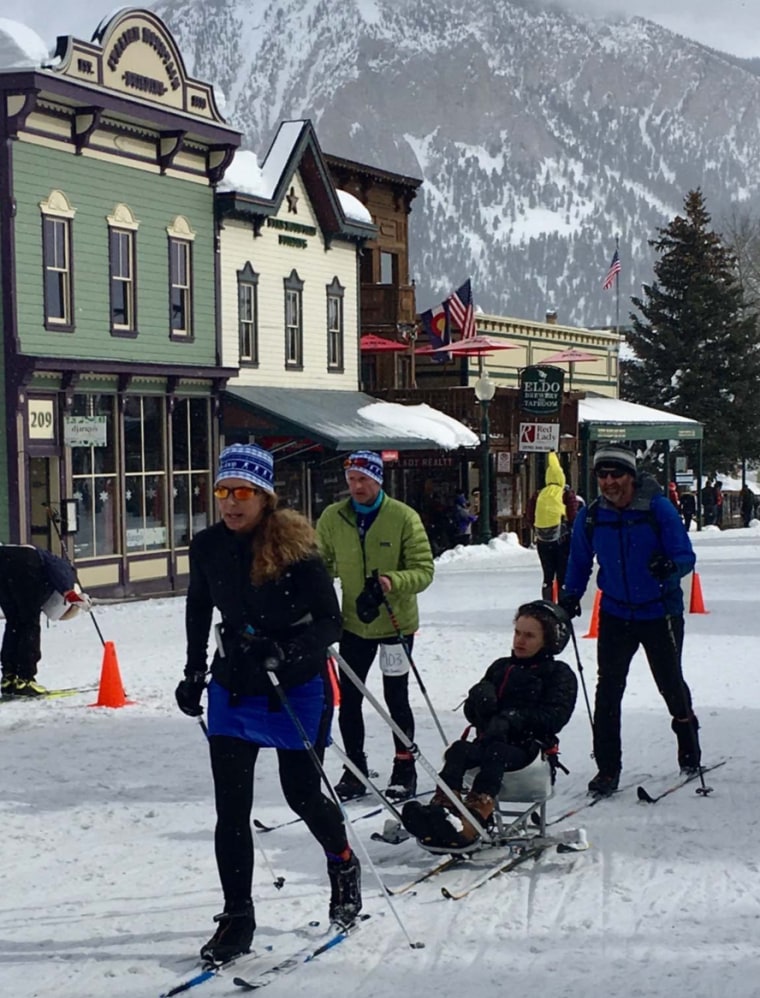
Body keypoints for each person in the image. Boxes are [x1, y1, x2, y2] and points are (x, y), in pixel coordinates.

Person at [175, 443, 361, 965]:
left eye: (243, 493)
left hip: (294, 683)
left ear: (264, 496)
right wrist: (193, 671)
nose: (231, 502)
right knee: (231, 808)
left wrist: (290, 649)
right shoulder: (209, 545)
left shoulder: (297, 547)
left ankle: (343, 863)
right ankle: (238, 917)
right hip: (234, 681)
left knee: (301, 793)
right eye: (223, 491)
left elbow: (330, 620)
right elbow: (197, 607)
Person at [558, 443, 701, 797]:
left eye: (617, 474)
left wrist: (669, 568)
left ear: (631, 477)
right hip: (617, 611)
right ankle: (608, 769)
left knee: (670, 684)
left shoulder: (657, 509)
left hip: (659, 610)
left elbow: (685, 555)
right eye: (602, 475)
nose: (609, 482)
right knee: (608, 690)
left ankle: (688, 744)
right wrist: (571, 596)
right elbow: (578, 561)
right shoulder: (592, 516)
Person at [400, 601, 577, 850]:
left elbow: (556, 717)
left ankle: (474, 819)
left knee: (496, 753)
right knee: (459, 750)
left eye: (529, 636)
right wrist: (477, 702)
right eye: (517, 633)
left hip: (529, 751)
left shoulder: (558, 673)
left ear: (547, 640)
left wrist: (514, 718)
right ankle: (443, 808)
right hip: (490, 741)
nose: (520, 641)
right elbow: (474, 716)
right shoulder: (501, 667)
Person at [316, 451, 434, 802]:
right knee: (349, 699)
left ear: (378, 480)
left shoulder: (402, 517)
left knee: (395, 698)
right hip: (354, 625)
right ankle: (355, 769)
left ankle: (404, 768)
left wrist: (392, 582)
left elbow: (424, 570)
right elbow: (321, 565)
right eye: (351, 479)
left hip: (395, 625)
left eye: (363, 479)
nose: (356, 486)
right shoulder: (333, 517)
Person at [0, 543, 92, 697]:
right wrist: (71, 594)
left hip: (3, 563)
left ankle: (9, 677)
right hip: (25, 564)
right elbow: (62, 573)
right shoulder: (66, 570)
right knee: (30, 624)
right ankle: (26, 679)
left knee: (14, 623)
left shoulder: (42, 574)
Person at [526, 452, 578, 602]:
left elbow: (529, 516)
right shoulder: (566, 493)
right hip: (562, 538)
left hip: (542, 540)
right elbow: (573, 515)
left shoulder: (539, 494)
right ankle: (562, 605)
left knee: (547, 575)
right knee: (562, 574)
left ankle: (547, 603)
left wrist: (538, 530)